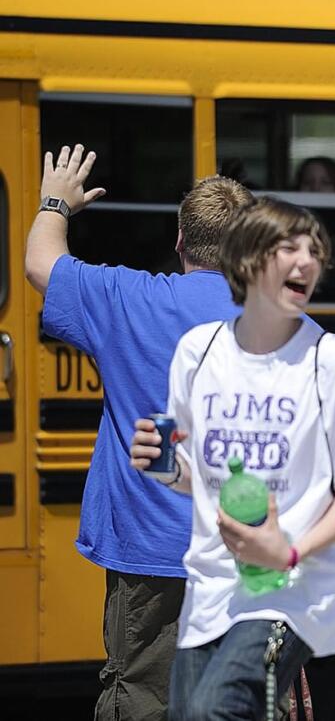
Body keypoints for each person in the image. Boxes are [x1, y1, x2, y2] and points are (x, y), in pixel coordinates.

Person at [129, 197, 335, 720]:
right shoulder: (197, 353)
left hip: (293, 590)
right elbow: (194, 476)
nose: (306, 261)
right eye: (289, 248)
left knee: (213, 711)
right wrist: (163, 464)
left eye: (316, 251)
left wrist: (288, 552)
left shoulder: (332, 361)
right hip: (210, 586)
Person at [25, 144, 253, 721]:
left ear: (180, 242)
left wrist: (57, 201)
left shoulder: (130, 301)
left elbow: (39, 263)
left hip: (150, 557)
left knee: (144, 701)